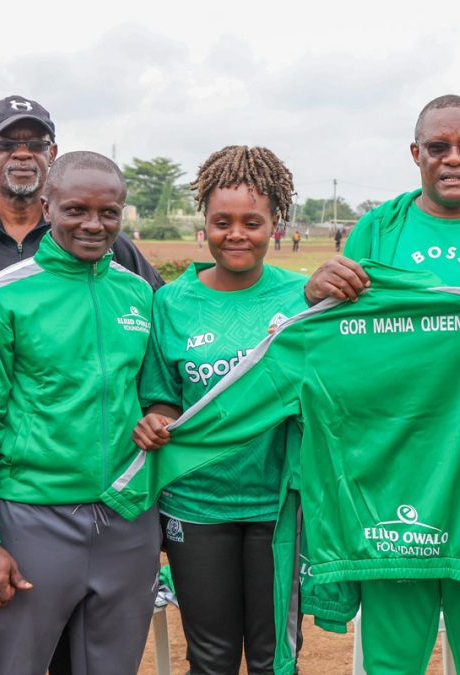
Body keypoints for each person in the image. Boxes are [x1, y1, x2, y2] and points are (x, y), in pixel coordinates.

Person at [302, 94, 460, 674]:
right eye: (439, 147)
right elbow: (340, 342)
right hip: (395, 473)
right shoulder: (379, 228)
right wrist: (316, 291)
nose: (453, 159)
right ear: (416, 153)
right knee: (393, 662)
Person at [0, 94, 162, 675]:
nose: (93, 224)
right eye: (76, 211)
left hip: (126, 521)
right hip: (32, 520)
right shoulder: (1, 296)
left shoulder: (138, 292)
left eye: (108, 213)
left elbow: (159, 391)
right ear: (49, 206)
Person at [131, 145, 307, 675]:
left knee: (274, 655)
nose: (236, 234)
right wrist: (156, 419)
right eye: (221, 221)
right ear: (203, 224)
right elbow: (164, 395)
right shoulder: (172, 302)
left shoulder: (303, 298)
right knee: (210, 656)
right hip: (196, 501)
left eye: (252, 222)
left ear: (275, 224)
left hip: (277, 503)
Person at [0, 95, 163, 292]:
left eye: (37, 144)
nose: (22, 154)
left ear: (52, 154)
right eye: (6, 144)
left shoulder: (96, 235)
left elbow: (161, 306)